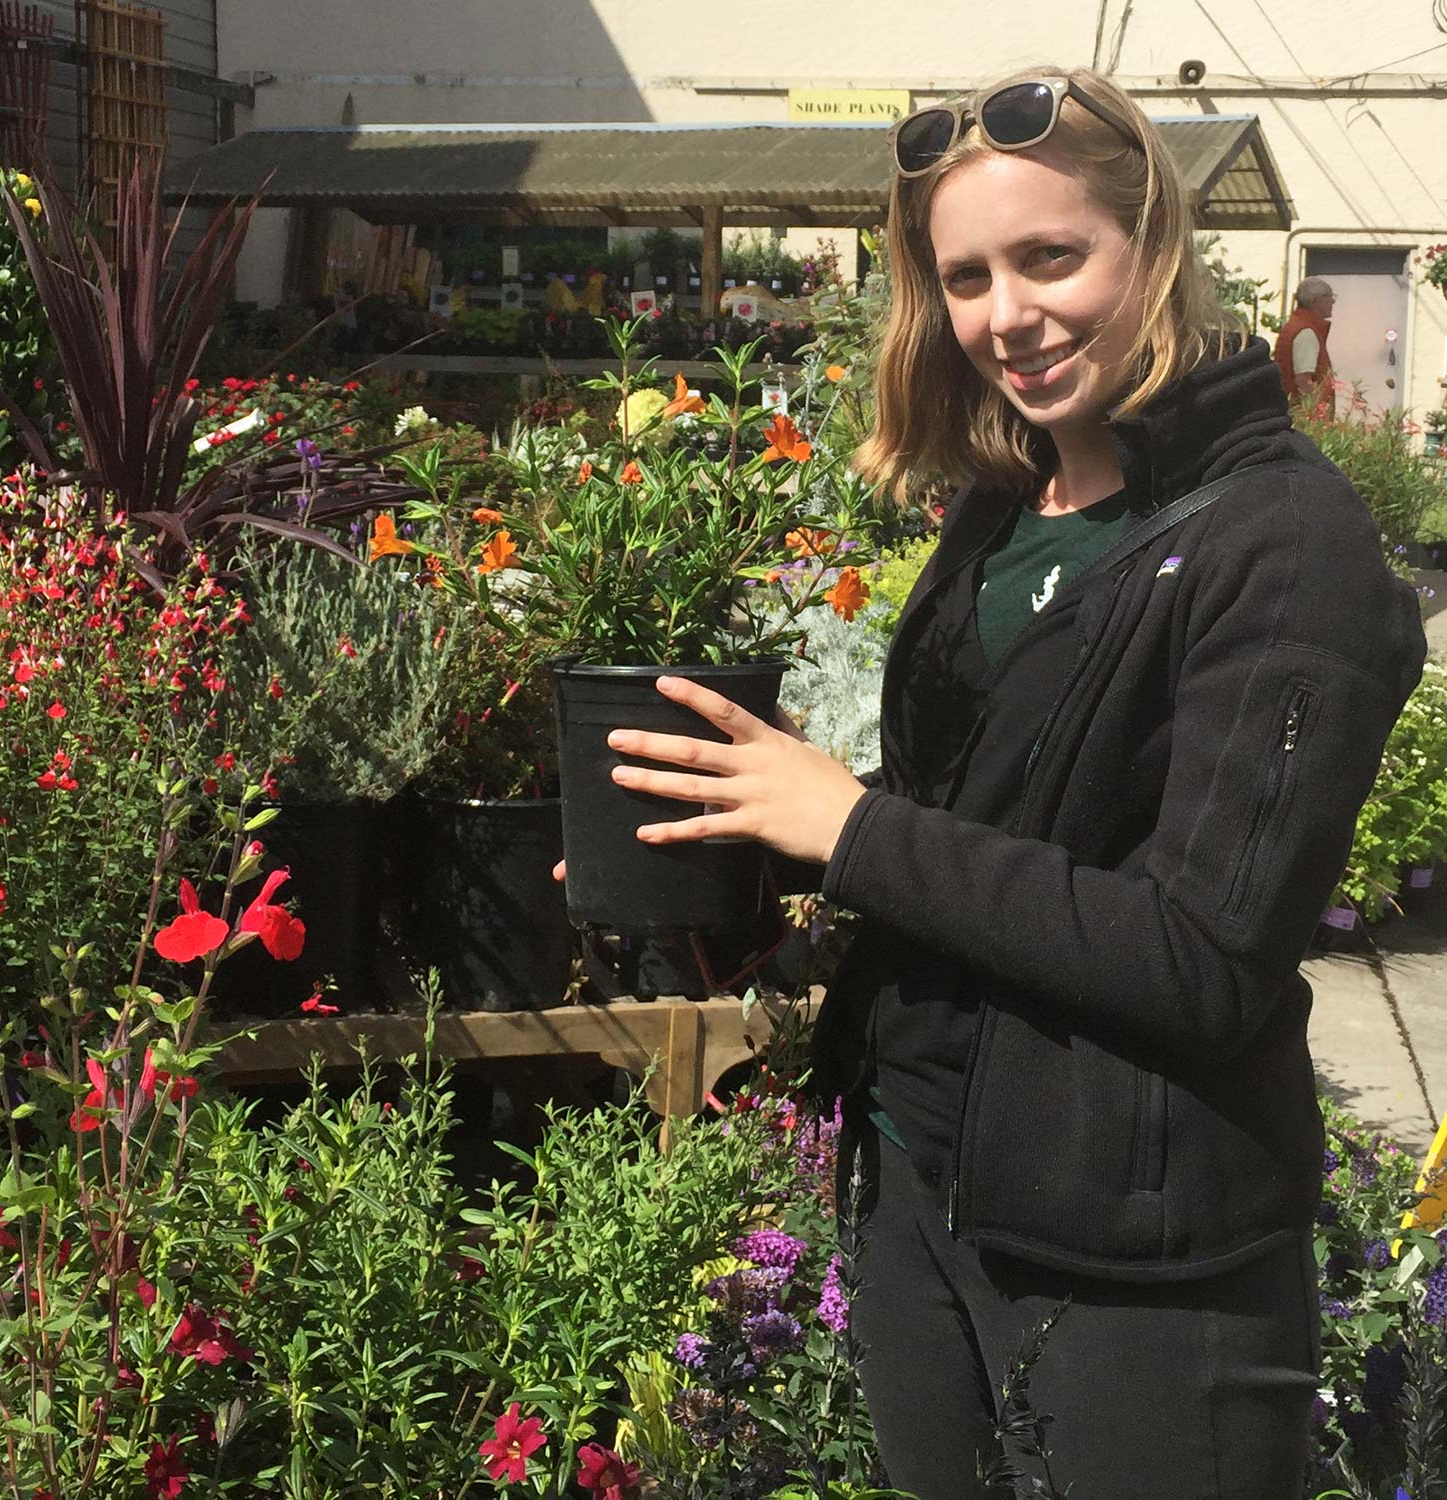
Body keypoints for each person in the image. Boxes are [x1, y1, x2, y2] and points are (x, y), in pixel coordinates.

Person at [562, 65, 1426, 1497]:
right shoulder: (1011, 503)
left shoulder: (1288, 548)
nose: (1005, 317)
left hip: (1134, 1268)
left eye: (1050, 257)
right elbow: (980, 829)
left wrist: (851, 824)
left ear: (1153, 244)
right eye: (965, 276)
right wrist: (733, 842)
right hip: (918, 1187)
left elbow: (1203, 957)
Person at [1275, 275, 1338, 416]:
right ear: (1317, 301)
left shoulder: (1295, 325)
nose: (1333, 301)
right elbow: (1303, 380)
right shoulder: (1306, 332)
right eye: (1329, 296)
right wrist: (1317, 412)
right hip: (1303, 418)